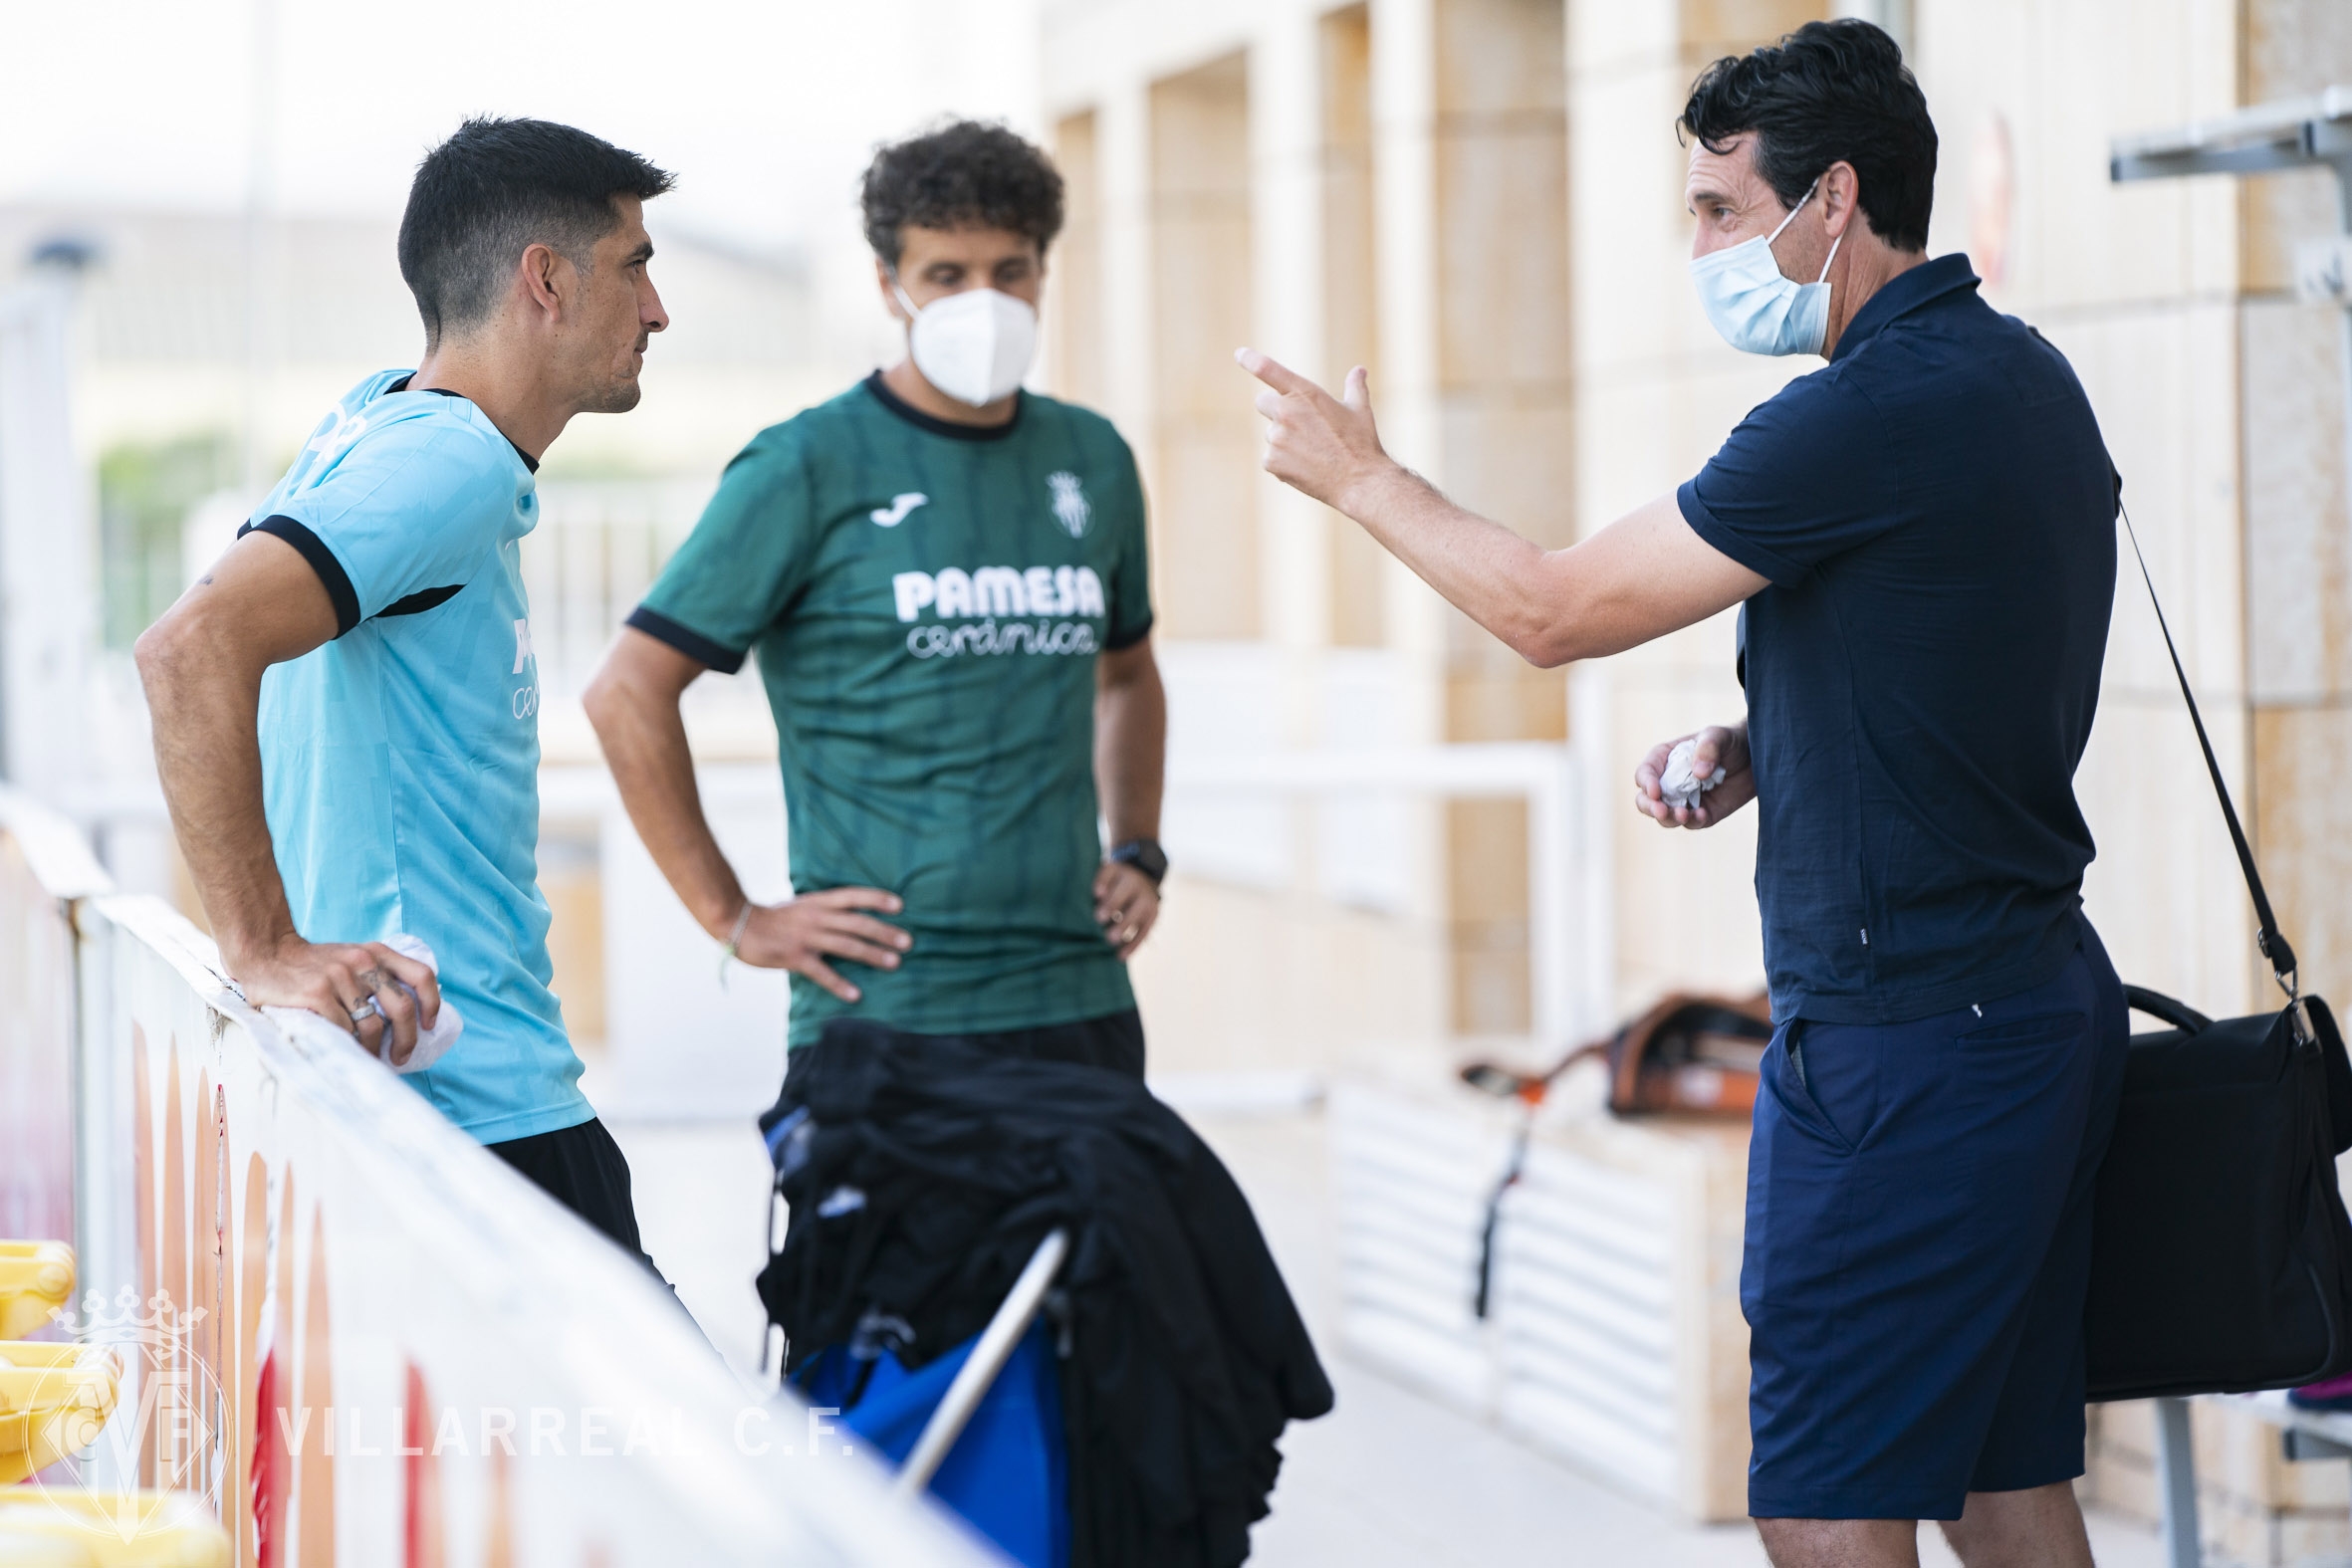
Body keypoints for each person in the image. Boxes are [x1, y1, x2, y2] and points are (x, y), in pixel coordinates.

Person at [1241, 20, 2122, 1568]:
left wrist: (1360, 476)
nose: (1700, 251)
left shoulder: (1856, 416)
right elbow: (1966, 651)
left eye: (1721, 211)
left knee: (1821, 1495)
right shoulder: (2017, 375)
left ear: (1832, 199)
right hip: (2025, 1006)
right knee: (1997, 1473)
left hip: (1903, 1041)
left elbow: (1554, 608)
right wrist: (1768, 742)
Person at [135, 117, 676, 1266]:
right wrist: (263, 946)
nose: (656, 310)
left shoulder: (377, 417)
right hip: (476, 1110)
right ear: (546, 280)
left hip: (430, 1098)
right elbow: (188, 649)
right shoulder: (447, 460)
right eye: (634, 265)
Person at [585, 119, 1166, 1080]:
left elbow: (1131, 674)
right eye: (947, 275)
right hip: (884, 1014)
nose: (984, 302)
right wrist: (734, 916)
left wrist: (1139, 847)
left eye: (1010, 271)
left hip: (1076, 993)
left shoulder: (1092, 456)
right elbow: (626, 691)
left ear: (1043, 271)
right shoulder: (807, 464)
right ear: (889, 284)